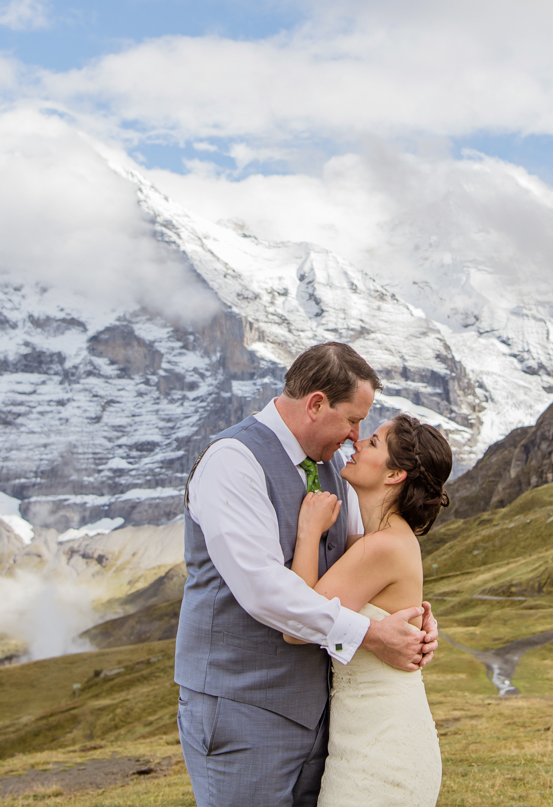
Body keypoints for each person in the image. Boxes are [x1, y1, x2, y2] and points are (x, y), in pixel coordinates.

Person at [175, 342, 440, 807]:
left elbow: (362, 569)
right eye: (353, 420)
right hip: (242, 712)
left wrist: (413, 621)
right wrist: (373, 634)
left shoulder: (337, 469)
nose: (356, 436)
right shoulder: (233, 461)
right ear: (316, 404)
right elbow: (263, 590)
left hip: (324, 723)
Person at [285, 413, 452, 807]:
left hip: (381, 752)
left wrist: (308, 532)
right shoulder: (381, 541)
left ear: (394, 475)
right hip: (378, 738)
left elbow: (297, 627)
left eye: (373, 442)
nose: (356, 443)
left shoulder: (381, 546)